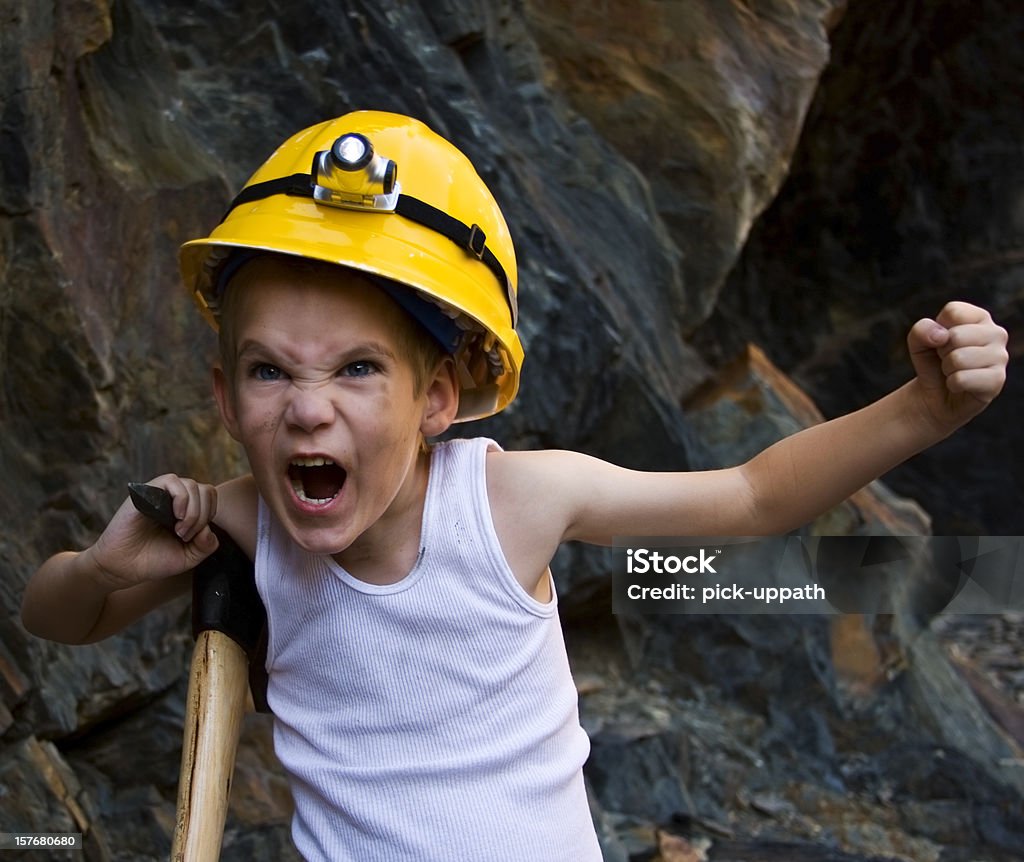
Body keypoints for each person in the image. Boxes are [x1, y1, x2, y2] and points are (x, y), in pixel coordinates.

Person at [21, 111, 1009, 861]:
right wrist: (106, 564)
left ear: (438, 397)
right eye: (269, 369)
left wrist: (921, 413)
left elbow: (751, 496)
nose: (307, 408)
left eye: (358, 369)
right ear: (226, 396)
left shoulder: (511, 505)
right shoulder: (240, 521)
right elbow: (57, 615)